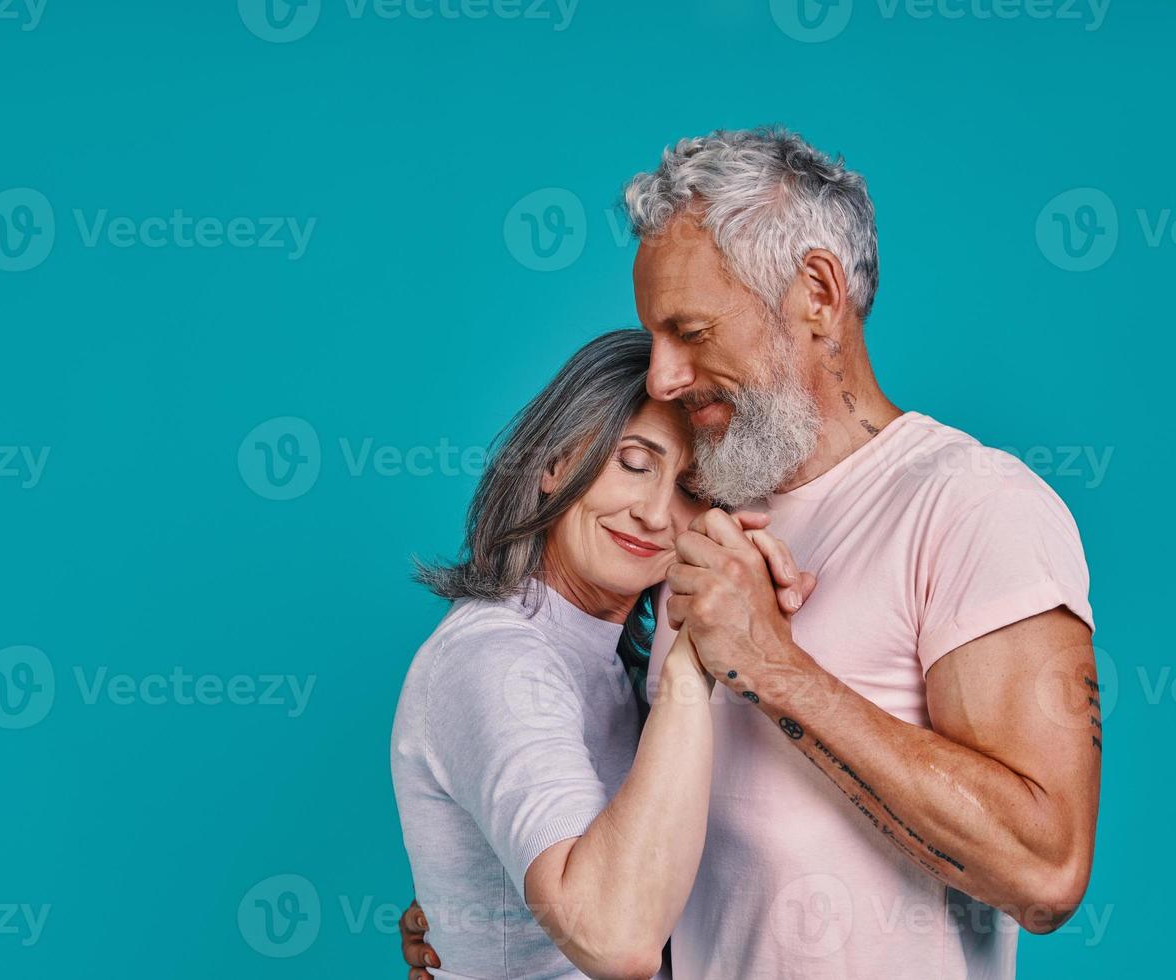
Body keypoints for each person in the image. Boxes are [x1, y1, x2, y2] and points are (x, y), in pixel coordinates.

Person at [402, 128, 1101, 979]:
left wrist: (773, 666)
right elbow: (671, 860)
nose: (661, 376)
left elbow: (1047, 875)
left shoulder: (972, 504)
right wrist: (489, 915)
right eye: (652, 338)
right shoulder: (713, 515)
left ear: (815, 292)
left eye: (689, 331)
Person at [391, 328, 812, 980]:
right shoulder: (498, 659)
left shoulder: (609, 665)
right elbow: (617, 942)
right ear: (556, 462)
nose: (653, 513)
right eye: (635, 463)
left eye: (692, 489)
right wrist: (693, 662)